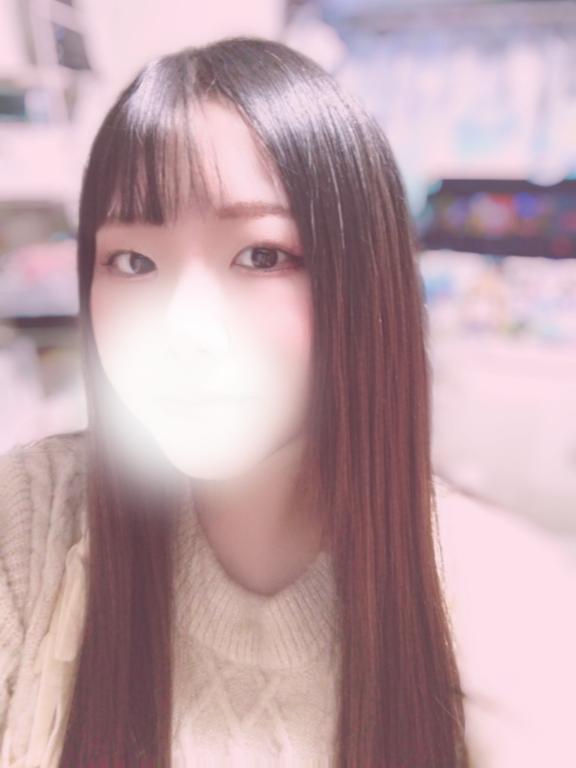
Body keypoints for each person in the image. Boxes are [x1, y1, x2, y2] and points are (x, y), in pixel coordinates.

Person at [0, 36, 574, 768]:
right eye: (133, 261)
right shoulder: (33, 525)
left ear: (364, 279)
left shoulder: (499, 600)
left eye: (261, 256)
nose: (183, 330)